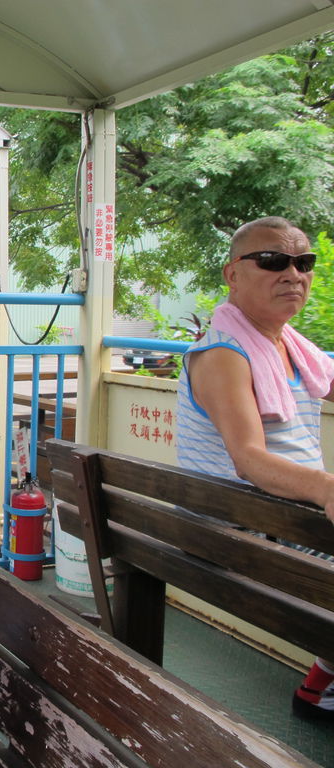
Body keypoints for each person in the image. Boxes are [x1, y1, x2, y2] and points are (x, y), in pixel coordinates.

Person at [174, 216, 334, 721]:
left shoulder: (293, 349)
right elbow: (247, 459)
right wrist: (326, 488)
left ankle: (320, 685)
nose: (293, 274)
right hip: (246, 527)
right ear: (233, 275)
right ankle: (320, 685)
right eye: (272, 261)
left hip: (278, 518)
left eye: (303, 262)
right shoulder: (224, 354)